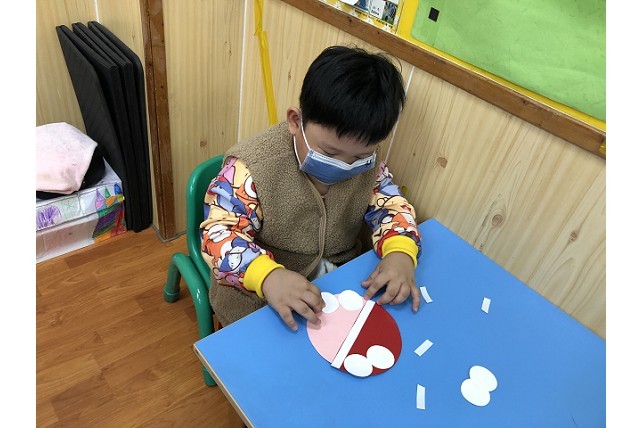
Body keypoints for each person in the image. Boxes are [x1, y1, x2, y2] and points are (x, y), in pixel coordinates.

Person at [200, 45, 422, 330]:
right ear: (296, 121)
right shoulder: (252, 168)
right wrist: (267, 277)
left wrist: (400, 252)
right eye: (330, 153)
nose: (344, 165)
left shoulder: (370, 164)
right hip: (259, 294)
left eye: (359, 157)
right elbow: (218, 234)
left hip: (337, 285)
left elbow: (391, 207)